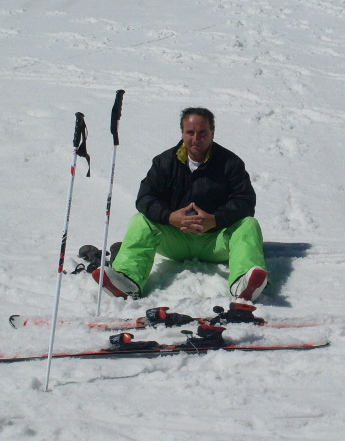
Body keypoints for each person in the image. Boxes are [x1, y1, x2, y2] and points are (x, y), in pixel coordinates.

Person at [92, 107, 268, 302]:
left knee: (249, 224)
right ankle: (128, 279)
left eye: (203, 133)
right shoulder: (164, 162)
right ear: (182, 133)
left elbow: (245, 201)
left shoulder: (230, 163)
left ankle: (244, 283)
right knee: (141, 221)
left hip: (215, 241)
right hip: (175, 240)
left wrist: (216, 220)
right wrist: (169, 217)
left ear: (212, 133)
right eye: (190, 133)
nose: (196, 138)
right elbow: (145, 198)